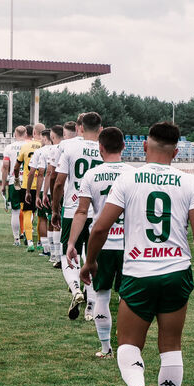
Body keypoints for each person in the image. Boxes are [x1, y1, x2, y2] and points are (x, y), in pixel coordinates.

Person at [81, 121, 194, 386]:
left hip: (138, 273)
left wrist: (90, 263)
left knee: (128, 345)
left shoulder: (129, 179)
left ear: (145, 146)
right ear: (176, 151)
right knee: (171, 347)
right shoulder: (189, 182)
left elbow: (100, 227)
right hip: (176, 273)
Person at [66, 127, 135, 358]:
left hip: (101, 244)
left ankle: (106, 349)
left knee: (102, 296)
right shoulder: (134, 174)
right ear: (124, 146)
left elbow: (81, 212)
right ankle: (129, 348)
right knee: (127, 298)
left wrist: (71, 243)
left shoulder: (92, 175)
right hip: (130, 246)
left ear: (101, 148)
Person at [52, 112, 103, 320]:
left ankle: (75, 289)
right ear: (100, 129)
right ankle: (91, 306)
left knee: (68, 252)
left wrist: (55, 209)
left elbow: (58, 182)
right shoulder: (104, 149)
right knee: (91, 257)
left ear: (80, 128)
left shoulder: (69, 146)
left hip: (73, 209)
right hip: (98, 212)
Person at [43, 122, 77, 268]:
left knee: (57, 223)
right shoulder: (86, 146)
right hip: (83, 192)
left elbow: (51, 174)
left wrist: (48, 193)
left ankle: (57, 255)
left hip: (66, 191)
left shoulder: (58, 148)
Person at [15, 123, 44, 251]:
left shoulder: (25, 146)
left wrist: (16, 178)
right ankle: (40, 242)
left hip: (28, 184)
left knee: (27, 212)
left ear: (33, 133)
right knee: (41, 215)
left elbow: (17, 166)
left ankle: (30, 241)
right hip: (42, 185)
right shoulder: (46, 147)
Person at [25, 129, 54, 258]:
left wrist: (29, 191)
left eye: (41, 138)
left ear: (45, 138)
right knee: (55, 217)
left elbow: (36, 172)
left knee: (42, 218)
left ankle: (47, 249)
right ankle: (56, 248)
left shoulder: (40, 151)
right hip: (59, 188)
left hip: (44, 189)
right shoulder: (60, 149)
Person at [1, 126, 27, 246]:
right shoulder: (30, 146)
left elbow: (6, 166)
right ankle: (28, 236)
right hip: (28, 180)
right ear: (26, 133)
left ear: (15, 134)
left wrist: (3, 184)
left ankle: (16, 239)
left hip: (15, 180)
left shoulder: (9, 147)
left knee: (15, 211)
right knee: (28, 210)